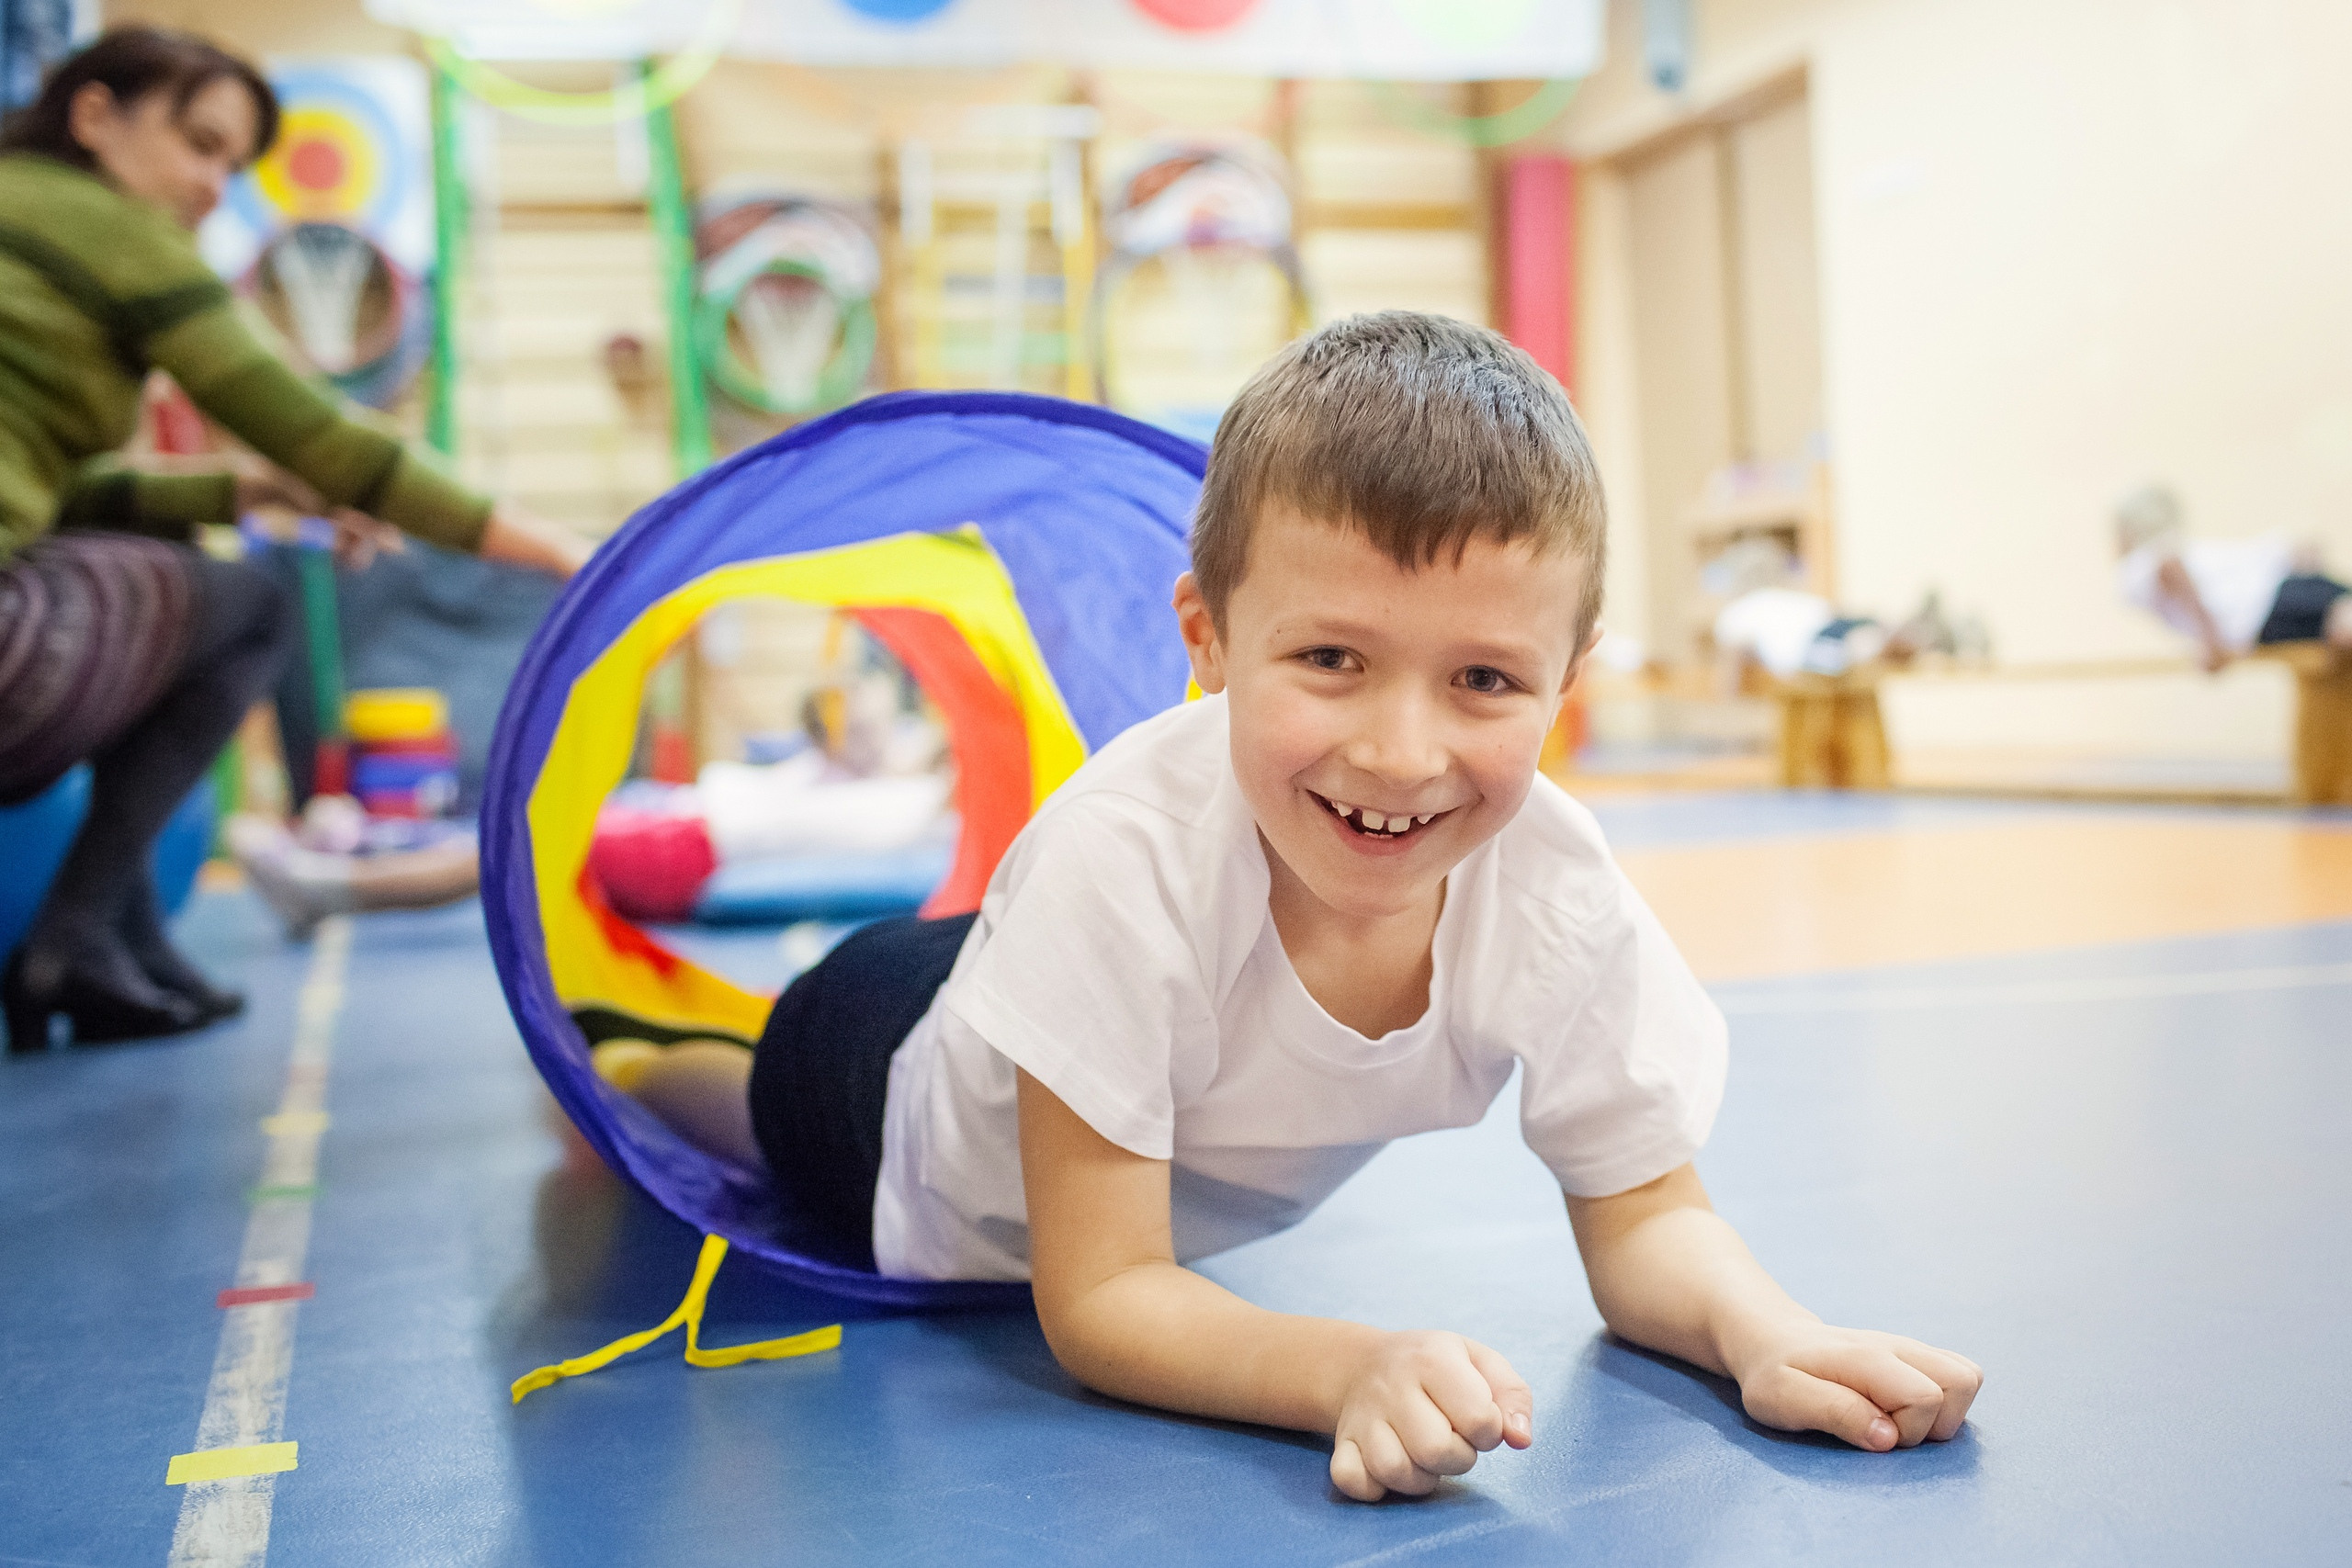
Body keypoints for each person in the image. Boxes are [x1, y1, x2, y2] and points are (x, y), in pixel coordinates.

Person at [609, 313, 1981, 1500]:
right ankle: (622, 1046)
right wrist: (1348, 1367)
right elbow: (1103, 1297)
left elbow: (1645, 1221)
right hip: (887, 1073)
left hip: (1071, 978)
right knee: (737, 1097)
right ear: (1205, 637)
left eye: (1485, 681)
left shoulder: (1552, 892)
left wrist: (1765, 1333)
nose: (1400, 752)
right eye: (1331, 657)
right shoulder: (1123, 855)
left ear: (1568, 680)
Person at [0, 28, 586, 1051]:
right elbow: (327, 440)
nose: (213, 186)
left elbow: (52, 498)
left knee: (178, 583)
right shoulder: (106, 226)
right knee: (248, 605)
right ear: (94, 116)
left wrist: (246, 490)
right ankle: (77, 935)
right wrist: (562, 553)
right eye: (199, 144)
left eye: (232, 165)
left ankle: (118, 937)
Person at [2114, 484, 2352, 671]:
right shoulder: (2172, 549)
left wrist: (2210, 640)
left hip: (2267, 602)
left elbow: (2169, 566)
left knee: (2342, 621)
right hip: (2269, 608)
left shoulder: (2137, 563)